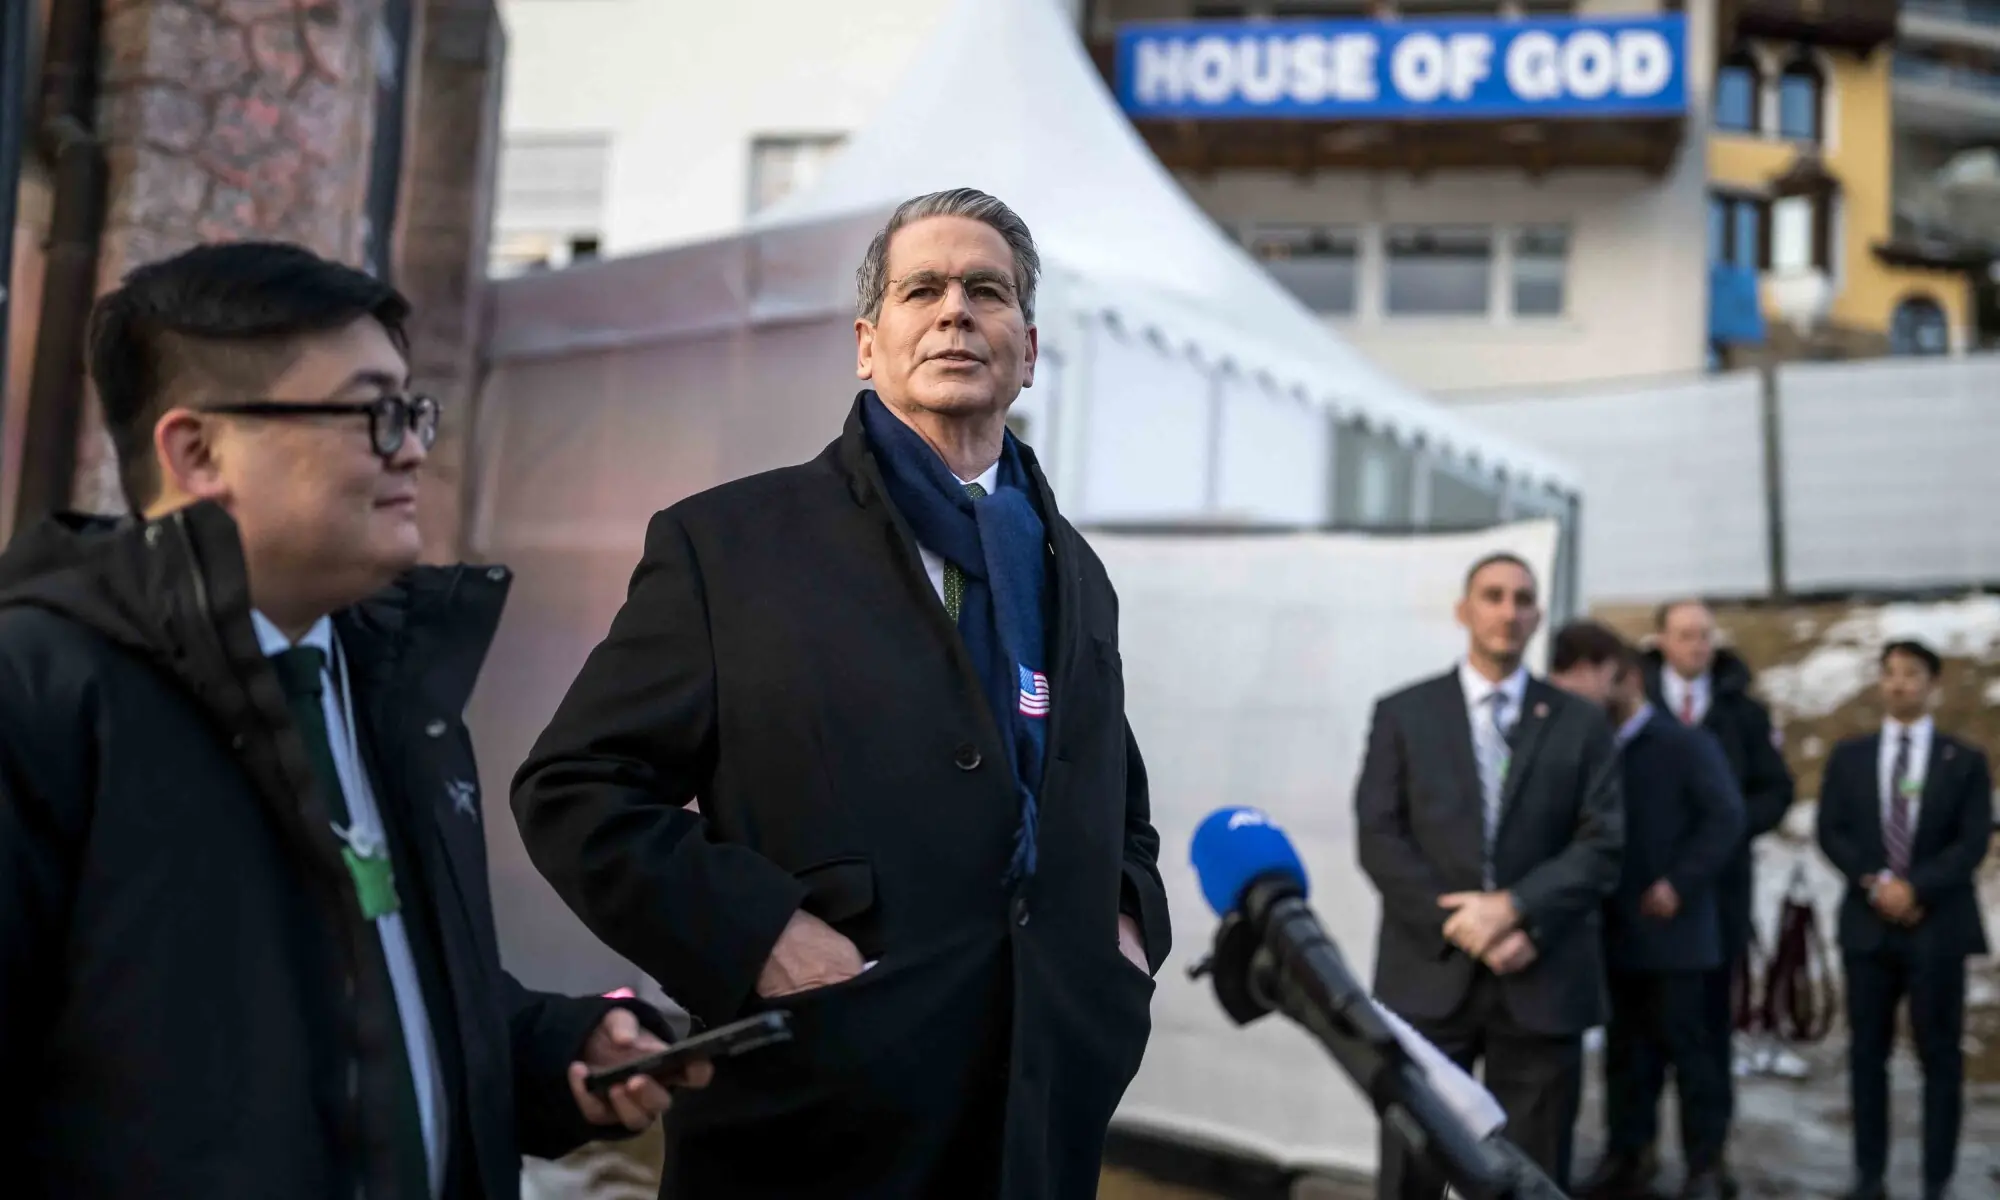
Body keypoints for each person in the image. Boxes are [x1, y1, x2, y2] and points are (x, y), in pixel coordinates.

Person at [0, 242, 705, 1199]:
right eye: (372, 412)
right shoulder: (43, 695)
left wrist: (550, 1048)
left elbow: (368, 988)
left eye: (412, 409)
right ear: (197, 450)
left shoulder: (383, 683)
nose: (414, 446)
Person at [510, 188, 1168, 1199]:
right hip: (812, 1118)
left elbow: (1113, 801)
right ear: (869, 343)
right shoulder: (727, 545)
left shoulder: (1071, 568)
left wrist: (1119, 941)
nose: (954, 311)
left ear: (1026, 350)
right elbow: (576, 787)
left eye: (984, 292)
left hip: (1037, 1125)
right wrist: (756, 931)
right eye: (923, 290)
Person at [1355, 552, 1624, 1198]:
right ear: (1464, 610)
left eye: (1522, 598)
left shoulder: (1581, 724)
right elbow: (1380, 836)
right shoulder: (1403, 714)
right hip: (1427, 976)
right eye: (1493, 595)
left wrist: (1517, 910)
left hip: (1541, 974)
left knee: (1528, 1179)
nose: (1508, 610)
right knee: (1410, 1174)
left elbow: (1603, 843)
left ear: (1537, 616)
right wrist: (1465, 924)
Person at [1551, 622, 1743, 1200]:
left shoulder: (1682, 743)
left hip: (1677, 934)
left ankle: (1706, 1166)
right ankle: (1626, 1156)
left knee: (1693, 1054)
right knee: (1625, 1054)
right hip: (1614, 933)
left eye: (1591, 676)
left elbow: (1725, 817)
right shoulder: (1592, 747)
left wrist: (1680, 884)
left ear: (1626, 676)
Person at [1817, 640, 1992, 1200]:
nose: (1898, 684)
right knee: (1868, 1055)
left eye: (1911, 674)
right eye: (1889, 673)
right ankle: (1869, 1177)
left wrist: (1915, 887)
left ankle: (1936, 1179)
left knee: (1939, 1057)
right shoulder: (1851, 757)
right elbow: (1831, 830)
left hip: (1936, 929)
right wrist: (1876, 882)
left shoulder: (1962, 761)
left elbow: (1970, 843)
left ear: (1932, 684)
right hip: (1868, 931)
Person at [1642, 599, 1794, 1193]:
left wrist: (1723, 828)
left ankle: (1706, 1159)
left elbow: (1775, 792)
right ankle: (1634, 1154)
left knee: (1706, 1033)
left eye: (1705, 636)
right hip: (1643, 902)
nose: (1697, 647)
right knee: (1639, 1036)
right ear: (1661, 641)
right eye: (1684, 636)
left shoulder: (1742, 714)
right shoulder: (1635, 706)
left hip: (1716, 898)